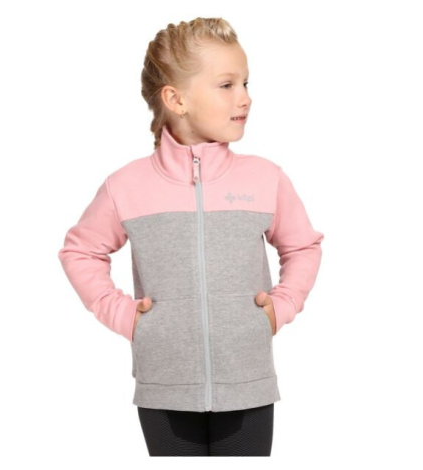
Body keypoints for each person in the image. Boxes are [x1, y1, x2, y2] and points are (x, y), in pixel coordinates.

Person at [57, 17, 324, 457]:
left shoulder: (265, 178)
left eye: (245, 83)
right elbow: (80, 250)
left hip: (247, 383)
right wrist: (123, 316)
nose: (245, 97)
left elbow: (302, 246)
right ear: (176, 99)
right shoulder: (127, 186)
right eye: (226, 85)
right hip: (164, 387)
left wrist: (281, 307)